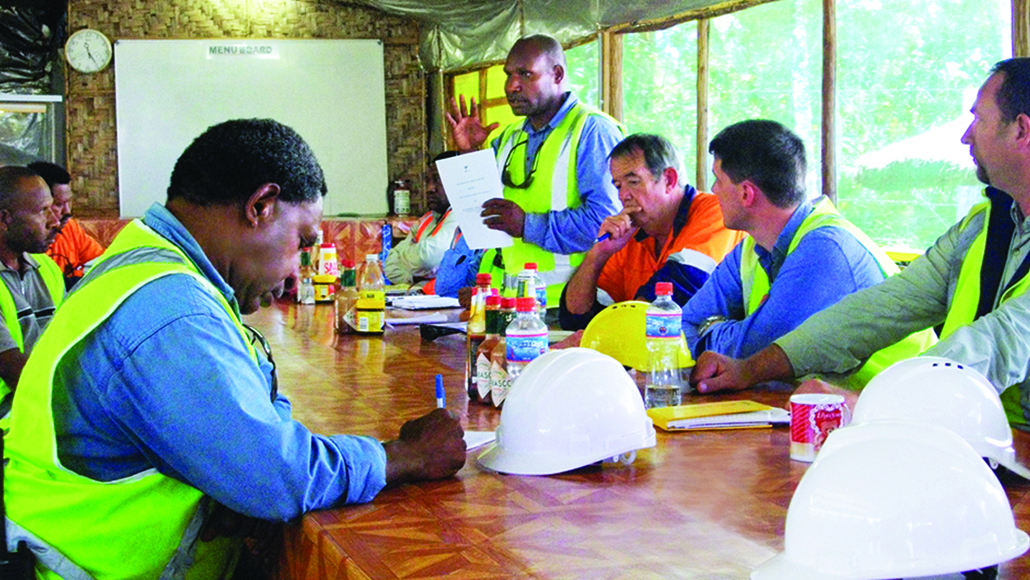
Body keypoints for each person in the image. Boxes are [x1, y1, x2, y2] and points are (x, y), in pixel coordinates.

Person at [4, 119, 467, 579]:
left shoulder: (151, 263)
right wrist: (404, 455)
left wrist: (233, 476)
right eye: (301, 243)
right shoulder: (170, 310)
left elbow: (256, 431)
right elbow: (277, 477)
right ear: (261, 206)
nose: (293, 273)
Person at [690, 59, 1030, 430]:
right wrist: (750, 368)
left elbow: (996, 344)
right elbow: (882, 308)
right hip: (975, 434)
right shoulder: (984, 224)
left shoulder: (826, 246)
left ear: (1021, 130)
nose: (966, 136)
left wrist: (873, 403)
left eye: (978, 119)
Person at [681, 119, 935, 383]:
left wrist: (711, 328)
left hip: (895, 408)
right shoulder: (750, 248)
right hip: (818, 410)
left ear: (746, 194)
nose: (712, 190)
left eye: (718, 179)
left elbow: (756, 352)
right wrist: (738, 332)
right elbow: (680, 328)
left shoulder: (825, 249)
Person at [446, 34, 625, 310]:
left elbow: (608, 224)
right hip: (509, 303)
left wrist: (526, 225)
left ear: (557, 74)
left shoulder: (592, 132)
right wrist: (470, 153)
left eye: (525, 74)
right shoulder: (506, 138)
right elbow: (483, 219)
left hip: (568, 309)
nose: (511, 86)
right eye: (508, 75)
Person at [558, 133, 745, 331]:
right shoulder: (628, 235)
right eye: (618, 186)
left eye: (633, 182)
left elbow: (679, 289)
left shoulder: (715, 211)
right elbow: (575, 316)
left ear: (669, 179)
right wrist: (598, 254)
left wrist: (608, 335)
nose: (623, 196)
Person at [0, 166, 62, 417]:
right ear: (5, 219)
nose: (55, 221)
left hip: (41, 413)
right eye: (42, 211)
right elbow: (19, 374)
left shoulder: (46, 267)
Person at [385, 151, 460, 288]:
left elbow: (428, 258)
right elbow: (390, 267)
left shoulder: (461, 215)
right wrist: (417, 277)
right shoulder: (428, 218)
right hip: (421, 297)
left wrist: (409, 263)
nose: (429, 188)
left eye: (438, 180)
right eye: (428, 180)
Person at [27, 160, 106, 288]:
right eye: (58, 204)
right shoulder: (28, 239)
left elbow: (101, 264)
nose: (67, 211)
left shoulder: (70, 227)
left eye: (68, 202)